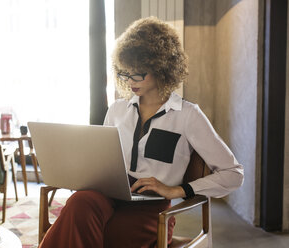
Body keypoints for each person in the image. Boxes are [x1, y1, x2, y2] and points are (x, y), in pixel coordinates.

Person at [39, 17, 244, 248]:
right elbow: (103, 160)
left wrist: (177, 190)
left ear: (161, 68)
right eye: (125, 73)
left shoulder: (187, 115)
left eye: (138, 74)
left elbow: (233, 173)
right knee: (79, 203)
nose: (130, 80)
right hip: (108, 195)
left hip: (150, 206)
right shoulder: (118, 109)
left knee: (108, 234)